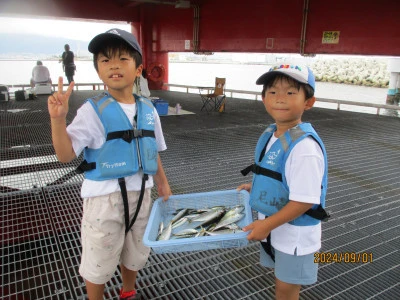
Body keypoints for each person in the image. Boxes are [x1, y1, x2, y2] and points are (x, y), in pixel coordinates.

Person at [48, 28, 172, 300]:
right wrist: (58, 120)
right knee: (99, 260)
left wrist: (164, 187)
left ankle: (128, 292)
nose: (114, 65)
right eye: (105, 60)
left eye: (122, 59)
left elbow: (154, 152)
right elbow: (65, 155)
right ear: (98, 71)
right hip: (104, 201)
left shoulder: (149, 110)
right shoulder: (91, 111)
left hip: (143, 195)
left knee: (135, 252)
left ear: (138, 69)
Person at [238, 63, 329, 300]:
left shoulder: (305, 148)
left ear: (308, 102)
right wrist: (255, 187)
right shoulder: (274, 134)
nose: (280, 98)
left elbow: (305, 201)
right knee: (280, 283)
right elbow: (280, 177)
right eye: (273, 92)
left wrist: (266, 226)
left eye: (290, 92)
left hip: (294, 237)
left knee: (286, 291)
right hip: (277, 230)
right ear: (263, 99)